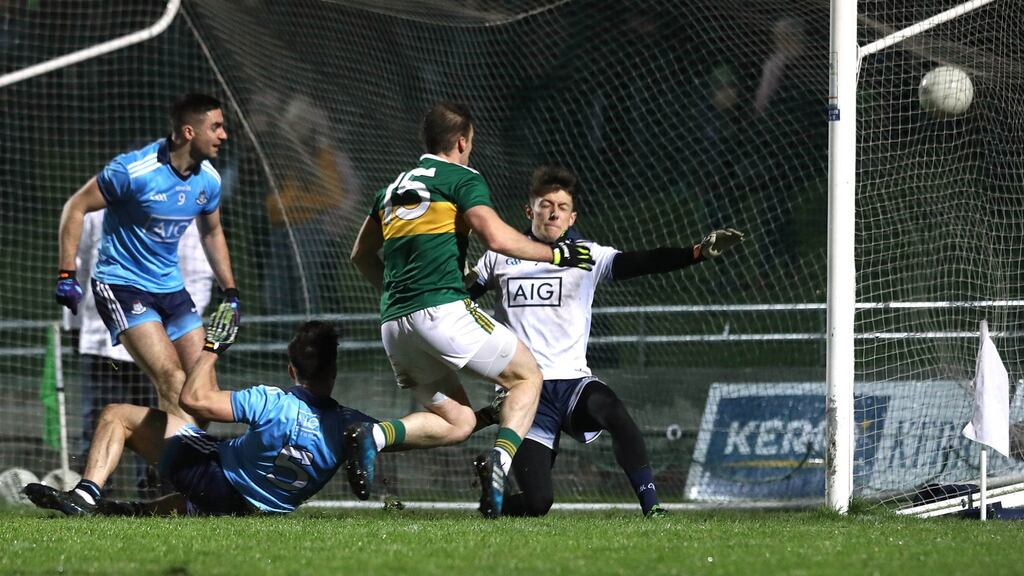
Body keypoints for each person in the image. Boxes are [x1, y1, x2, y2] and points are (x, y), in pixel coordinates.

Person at [348, 101, 595, 518]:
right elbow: (497, 238)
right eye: (471, 143)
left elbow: (360, 255)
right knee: (527, 376)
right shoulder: (461, 178)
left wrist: (397, 292)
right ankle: (499, 463)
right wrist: (556, 255)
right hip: (441, 311)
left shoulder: (391, 190)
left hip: (393, 323)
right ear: (462, 141)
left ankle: (372, 435)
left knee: (458, 422)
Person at [469, 165, 745, 518]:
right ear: (529, 211)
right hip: (524, 389)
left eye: (563, 207)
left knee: (615, 413)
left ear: (572, 217)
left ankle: (652, 507)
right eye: (546, 204)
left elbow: (641, 261)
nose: (554, 212)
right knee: (538, 503)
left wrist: (695, 253)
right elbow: (462, 298)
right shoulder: (499, 257)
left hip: (571, 382)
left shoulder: (587, 256)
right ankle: (491, 501)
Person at [23, 319, 380, 516]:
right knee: (211, 462)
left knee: (117, 416)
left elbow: (194, 400)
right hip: (258, 511)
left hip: (219, 481)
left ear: (290, 369)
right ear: (335, 370)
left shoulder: (272, 402)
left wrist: (212, 349)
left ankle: (85, 496)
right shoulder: (351, 425)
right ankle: (125, 511)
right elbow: (419, 431)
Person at [54, 93, 239, 428]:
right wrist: (67, 273)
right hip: (122, 285)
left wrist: (231, 292)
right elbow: (75, 207)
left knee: (203, 390)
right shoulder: (133, 172)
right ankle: (175, 476)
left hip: (169, 287)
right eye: (216, 127)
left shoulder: (209, 180)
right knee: (171, 378)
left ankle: (173, 466)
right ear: (188, 132)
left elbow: (212, 233)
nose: (223, 135)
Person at [68, 209, 215, 495]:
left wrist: (177, 327)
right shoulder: (96, 214)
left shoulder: (176, 211)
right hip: (101, 342)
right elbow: (81, 266)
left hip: (156, 345)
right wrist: (73, 325)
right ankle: (93, 497)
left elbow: (199, 273)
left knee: (155, 425)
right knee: (95, 424)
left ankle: (159, 497)